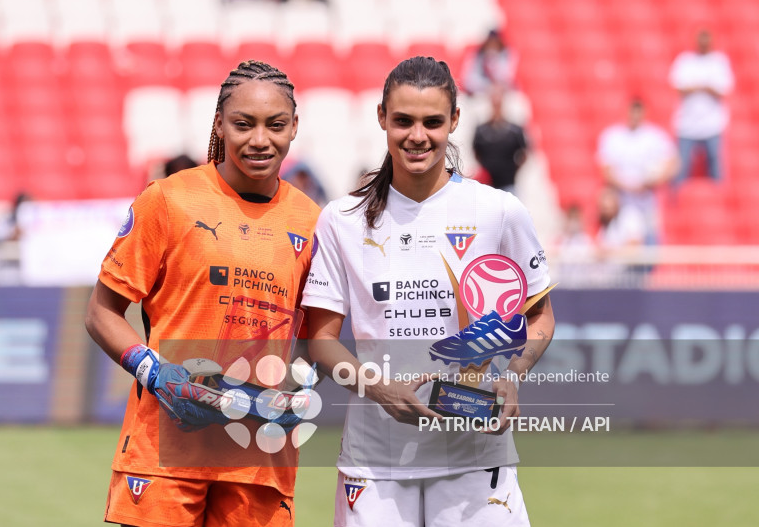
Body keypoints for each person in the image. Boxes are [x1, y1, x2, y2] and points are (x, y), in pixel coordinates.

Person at [302, 57, 555, 526]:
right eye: (403, 120)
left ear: (455, 121)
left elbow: (539, 318)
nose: (417, 135)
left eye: (433, 122)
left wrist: (514, 373)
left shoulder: (499, 211)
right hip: (375, 462)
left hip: (478, 458)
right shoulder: (342, 218)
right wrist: (378, 389)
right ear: (382, 117)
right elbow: (321, 340)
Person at [85, 60, 320, 527]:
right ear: (219, 124)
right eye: (242, 124)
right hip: (164, 453)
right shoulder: (168, 200)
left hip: (259, 458)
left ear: (294, 127)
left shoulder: (314, 222)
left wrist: (304, 391)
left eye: (275, 125)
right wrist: (153, 371)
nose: (259, 140)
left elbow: (314, 344)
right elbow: (101, 312)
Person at [597, 98, 678, 244]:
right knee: (624, 239)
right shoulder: (614, 136)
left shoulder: (654, 136)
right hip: (622, 200)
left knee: (650, 239)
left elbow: (673, 163)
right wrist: (628, 186)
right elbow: (606, 169)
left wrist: (653, 181)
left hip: (646, 199)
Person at [668, 28, 734, 185]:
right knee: (681, 166)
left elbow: (723, 89)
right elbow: (679, 86)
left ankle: (721, 201)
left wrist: (698, 86)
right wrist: (705, 86)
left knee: (715, 164)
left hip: (712, 124)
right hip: (687, 123)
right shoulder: (685, 60)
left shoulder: (719, 61)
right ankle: (675, 200)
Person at [471, 83, 529, 194]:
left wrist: (513, 170)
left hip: (509, 183)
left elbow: (524, 153)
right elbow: (476, 152)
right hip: (488, 185)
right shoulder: (481, 130)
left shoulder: (515, 130)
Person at [461, 29, 518, 95]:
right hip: (480, 96)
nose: (492, 46)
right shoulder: (476, 57)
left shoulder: (507, 55)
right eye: (490, 43)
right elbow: (469, 82)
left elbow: (508, 80)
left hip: (500, 96)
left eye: (495, 43)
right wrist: (487, 87)